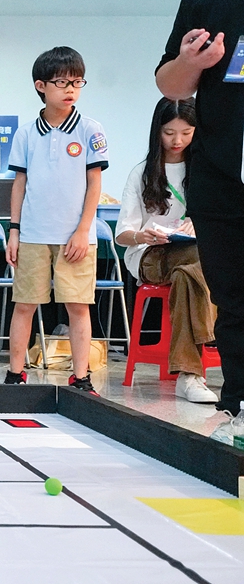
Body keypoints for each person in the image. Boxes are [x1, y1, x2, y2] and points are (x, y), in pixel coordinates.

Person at [155, 0, 244, 437]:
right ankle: (236, 401)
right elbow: (169, 82)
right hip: (223, 169)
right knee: (232, 294)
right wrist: (191, 61)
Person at [5, 47, 108, 394]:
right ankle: (15, 374)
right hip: (33, 235)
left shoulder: (90, 129)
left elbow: (95, 183)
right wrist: (14, 231)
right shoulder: (26, 134)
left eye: (77, 82)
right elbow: (19, 184)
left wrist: (83, 230)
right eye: (62, 82)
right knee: (24, 305)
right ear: (41, 85)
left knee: (78, 307)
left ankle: (81, 377)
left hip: (76, 237)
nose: (71, 90)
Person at [116, 98, 218, 404]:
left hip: (191, 256)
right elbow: (122, 235)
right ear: (157, 131)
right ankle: (214, 340)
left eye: (186, 133)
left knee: (189, 274)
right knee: (205, 262)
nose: (177, 141)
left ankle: (189, 376)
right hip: (149, 254)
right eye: (169, 133)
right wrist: (143, 235)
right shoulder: (143, 173)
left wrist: (199, 223)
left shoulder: (205, 170)